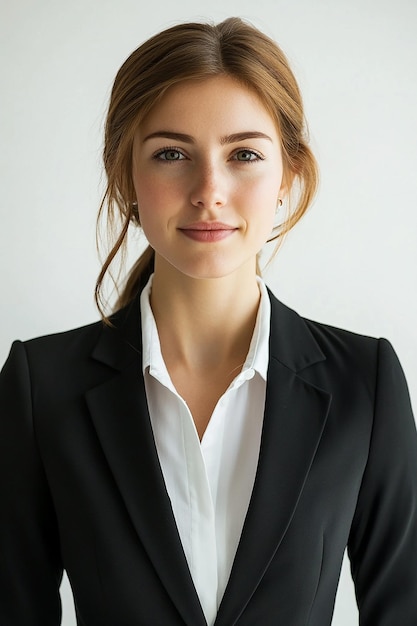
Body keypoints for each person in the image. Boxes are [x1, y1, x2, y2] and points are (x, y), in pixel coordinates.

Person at [0, 16, 416, 626]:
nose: (209, 190)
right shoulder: (42, 387)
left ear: (287, 177)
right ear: (126, 176)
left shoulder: (365, 384)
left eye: (244, 154)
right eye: (171, 154)